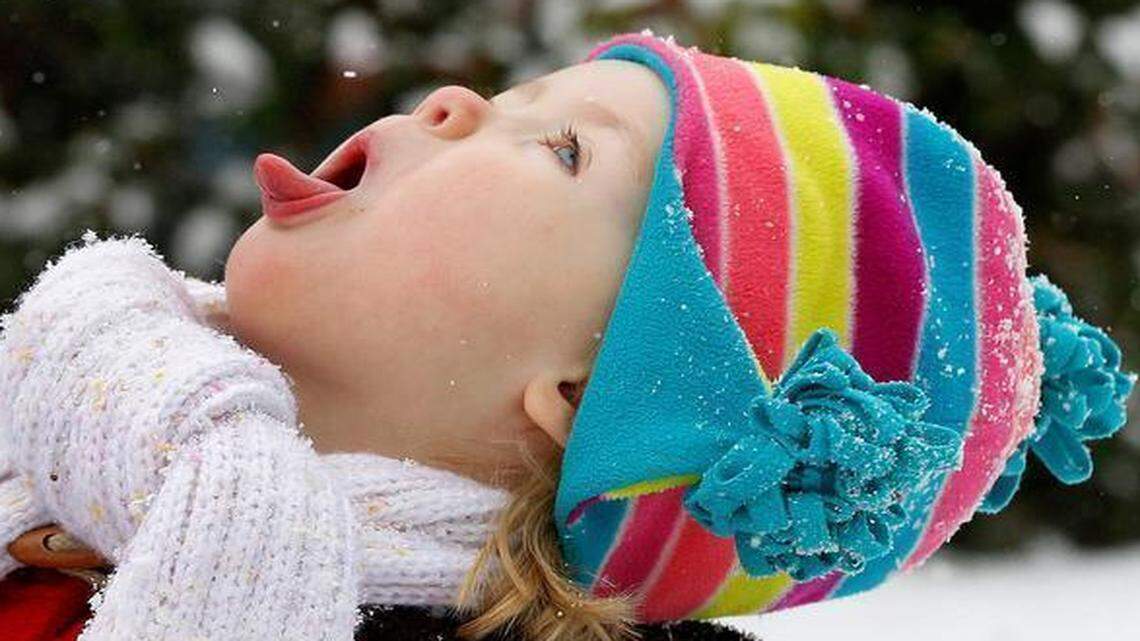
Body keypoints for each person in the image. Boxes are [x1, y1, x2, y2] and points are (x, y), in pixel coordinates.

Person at [0, 28, 1134, 641]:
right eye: (531, 99)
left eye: (563, 150)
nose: (453, 100)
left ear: (590, 397)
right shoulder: (65, 440)